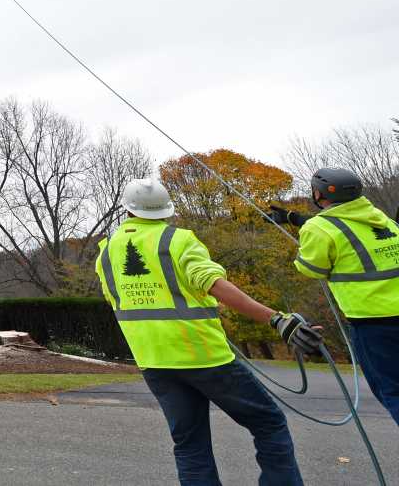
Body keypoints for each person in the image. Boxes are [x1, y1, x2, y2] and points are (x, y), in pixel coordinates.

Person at [96, 179, 321, 486]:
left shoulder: (106, 254)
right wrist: (277, 319)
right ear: (166, 211)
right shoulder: (177, 240)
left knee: (190, 446)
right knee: (269, 423)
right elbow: (213, 284)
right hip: (204, 357)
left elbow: (123, 303)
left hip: (155, 362)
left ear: (127, 209)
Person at [285, 167, 399, 426]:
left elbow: (311, 268)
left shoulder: (319, 227)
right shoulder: (380, 217)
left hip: (374, 322)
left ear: (318, 193)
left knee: (392, 390)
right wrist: (298, 220)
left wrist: (306, 233)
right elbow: (347, 225)